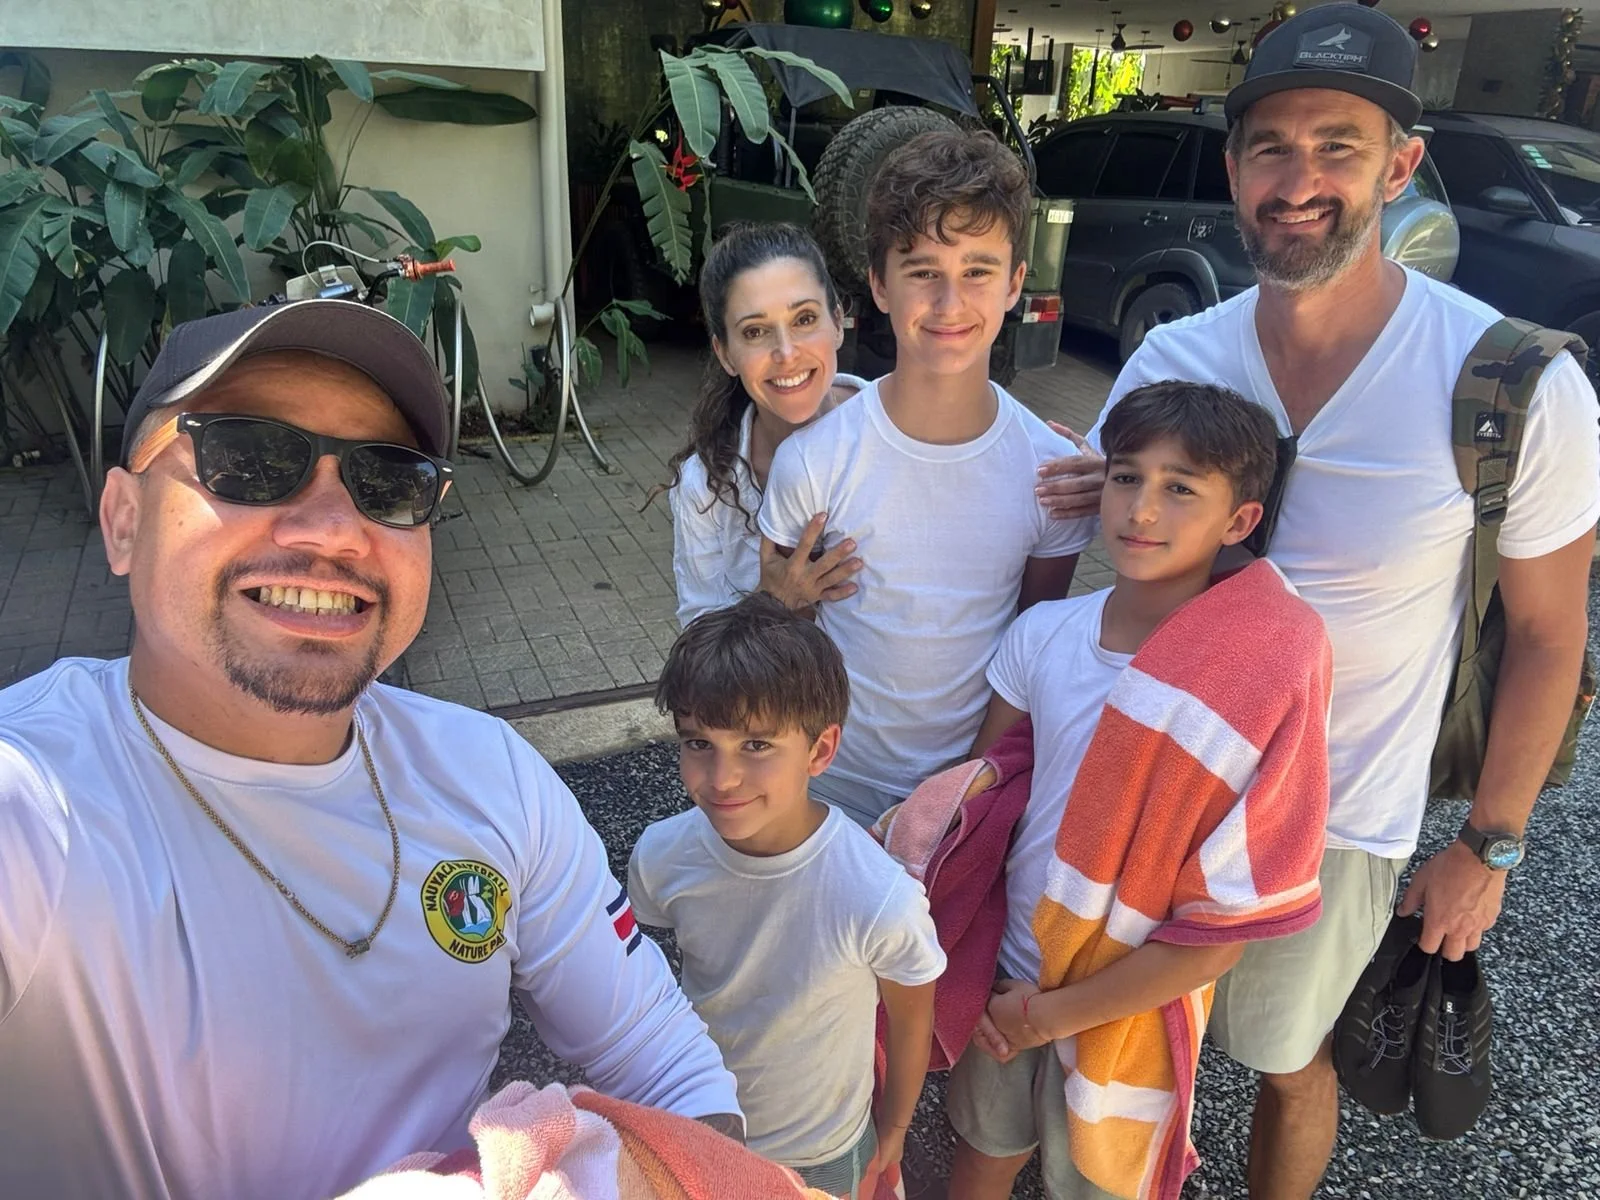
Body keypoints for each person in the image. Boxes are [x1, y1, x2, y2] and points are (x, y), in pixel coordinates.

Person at [0, 301, 741, 1200]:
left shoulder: (491, 779)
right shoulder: (35, 801)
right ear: (123, 521)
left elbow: (662, 1066)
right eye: (247, 458)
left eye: (387, 481)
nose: (333, 529)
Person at [1085, 7, 1600, 1196]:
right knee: (1112, 1041)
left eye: (1338, 145)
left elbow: (1546, 633)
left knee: (1284, 1062)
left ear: (1399, 165)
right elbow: (1120, 557)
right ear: (1231, 167)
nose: (1299, 179)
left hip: (1335, 819)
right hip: (1150, 787)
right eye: (1270, 146)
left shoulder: (1513, 388)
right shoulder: (1173, 362)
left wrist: (1489, 847)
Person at [946, 382, 1333, 1200]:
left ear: (1240, 522)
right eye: (1126, 476)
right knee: (982, 1154)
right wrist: (976, 965)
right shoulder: (1042, 634)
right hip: (1011, 966)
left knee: (1098, 1179)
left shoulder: (1254, 681)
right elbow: (977, 808)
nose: (1141, 508)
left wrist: (1052, 1018)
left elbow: (1221, 928)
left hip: (1129, 1005)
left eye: (1180, 486)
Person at [759, 129, 1098, 829]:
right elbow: (776, 630)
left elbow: (1026, 651)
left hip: (969, 790)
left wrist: (963, 791)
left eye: (978, 270)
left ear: (1014, 283)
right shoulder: (814, 460)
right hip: (827, 782)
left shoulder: (1050, 473)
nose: (950, 302)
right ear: (879, 284)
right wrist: (780, 606)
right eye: (922, 270)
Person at [628, 595, 945, 1199]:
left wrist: (895, 1129)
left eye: (756, 746)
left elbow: (911, 1019)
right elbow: (647, 983)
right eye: (699, 742)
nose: (721, 779)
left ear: (821, 750)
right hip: (700, 1121)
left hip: (820, 1149)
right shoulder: (662, 855)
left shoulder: (877, 896)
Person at [664, 223, 869, 627]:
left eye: (805, 318)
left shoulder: (898, 431)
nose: (786, 352)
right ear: (725, 354)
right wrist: (772, 602)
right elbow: (699, 648)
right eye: (755, 331)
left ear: (838, 320)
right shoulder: (706, 487)